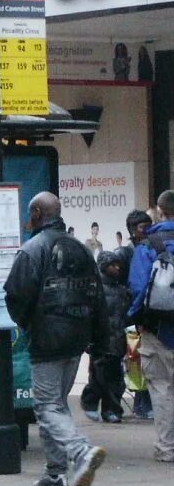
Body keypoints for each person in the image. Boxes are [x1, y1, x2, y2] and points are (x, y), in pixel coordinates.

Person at [3, 192, 107, 486]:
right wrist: (99, 339)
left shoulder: (32, 249)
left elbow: (15, 295)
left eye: (30, 213)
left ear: (37, 213)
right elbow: (98, 297)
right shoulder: (82, 249)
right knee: (56, 406)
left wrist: (29, 323)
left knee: (47, 405)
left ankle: (81, 451)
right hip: (77, 338)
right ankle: (56, 475)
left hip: (48, 338)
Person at [126, 189, 174, 463]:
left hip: (156, 330)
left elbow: (137, 287)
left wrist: (136, 320)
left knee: (161, 388)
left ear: (159, 210)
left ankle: (167, 449)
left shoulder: (148, 245)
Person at [80, 250, 129, 423]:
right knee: (101, 377)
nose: (116, 268)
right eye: (112, 265)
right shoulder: (94, 289)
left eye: (118, 265)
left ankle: (108, 408)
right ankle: (98, 405)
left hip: (116, 340)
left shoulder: (122, 290)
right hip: (101, 340)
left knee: (113, 378)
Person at [118, 209, 154, 419]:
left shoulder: (149, 248)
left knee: (146, 359)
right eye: (143, 227)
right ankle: (141, 402)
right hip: (130, 316)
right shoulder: (125, 253)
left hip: (144, 315)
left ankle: (145, 401)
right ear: (133, 229)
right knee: (134, 359)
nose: (147, 230)